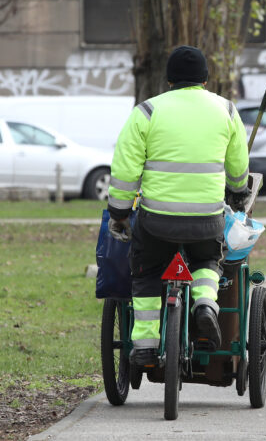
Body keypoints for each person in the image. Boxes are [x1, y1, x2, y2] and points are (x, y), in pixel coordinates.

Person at [107, 45, 250, 367]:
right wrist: (238, 192)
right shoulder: (225, 109)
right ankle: (204, 305)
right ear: (204, 79)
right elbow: (238, 165)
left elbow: (125, 169)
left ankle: (144, 344)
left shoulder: (147, 111)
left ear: (168, 78)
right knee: (209, 260)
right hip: (207, 218)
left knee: (146, 272)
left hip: (157, 220)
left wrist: (118, 213)